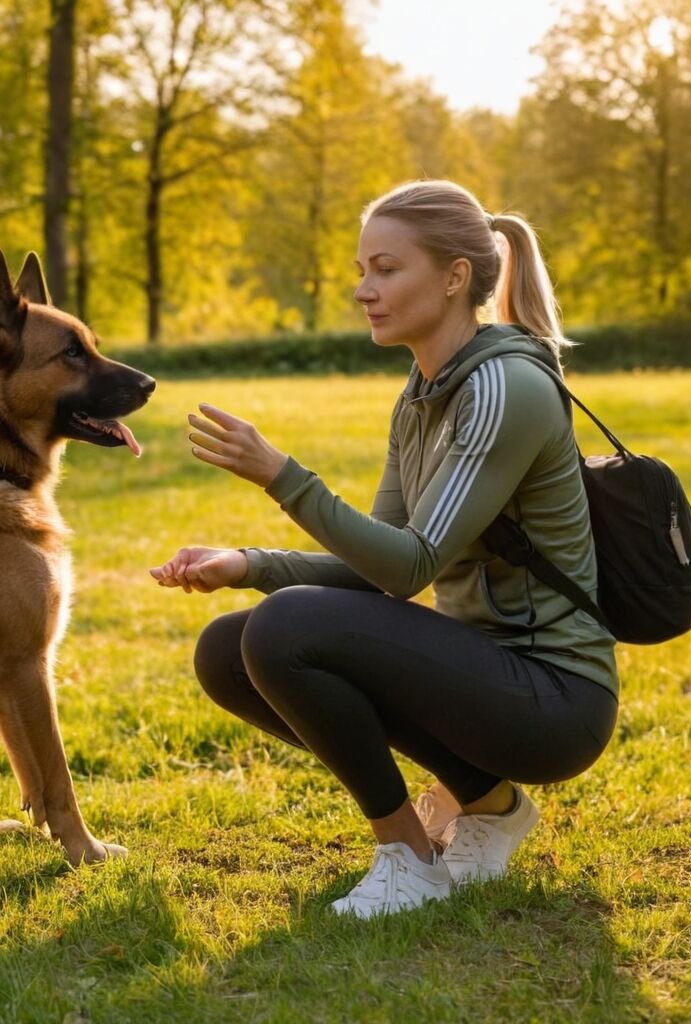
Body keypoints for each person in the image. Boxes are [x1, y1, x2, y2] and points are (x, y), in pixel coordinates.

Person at [149, 179, 618, 919]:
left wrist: (281, 474)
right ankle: (488, 807)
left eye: (387, 269)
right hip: (481, 676)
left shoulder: (507, 387)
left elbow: (409, 565)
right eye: (362, 270)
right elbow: (382, 569)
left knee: (285, 628)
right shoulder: (423, 393)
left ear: (455, 277)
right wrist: (248, 565)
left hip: (553, 702)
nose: (365, 289)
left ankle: (408, 857)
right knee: (229, 648)